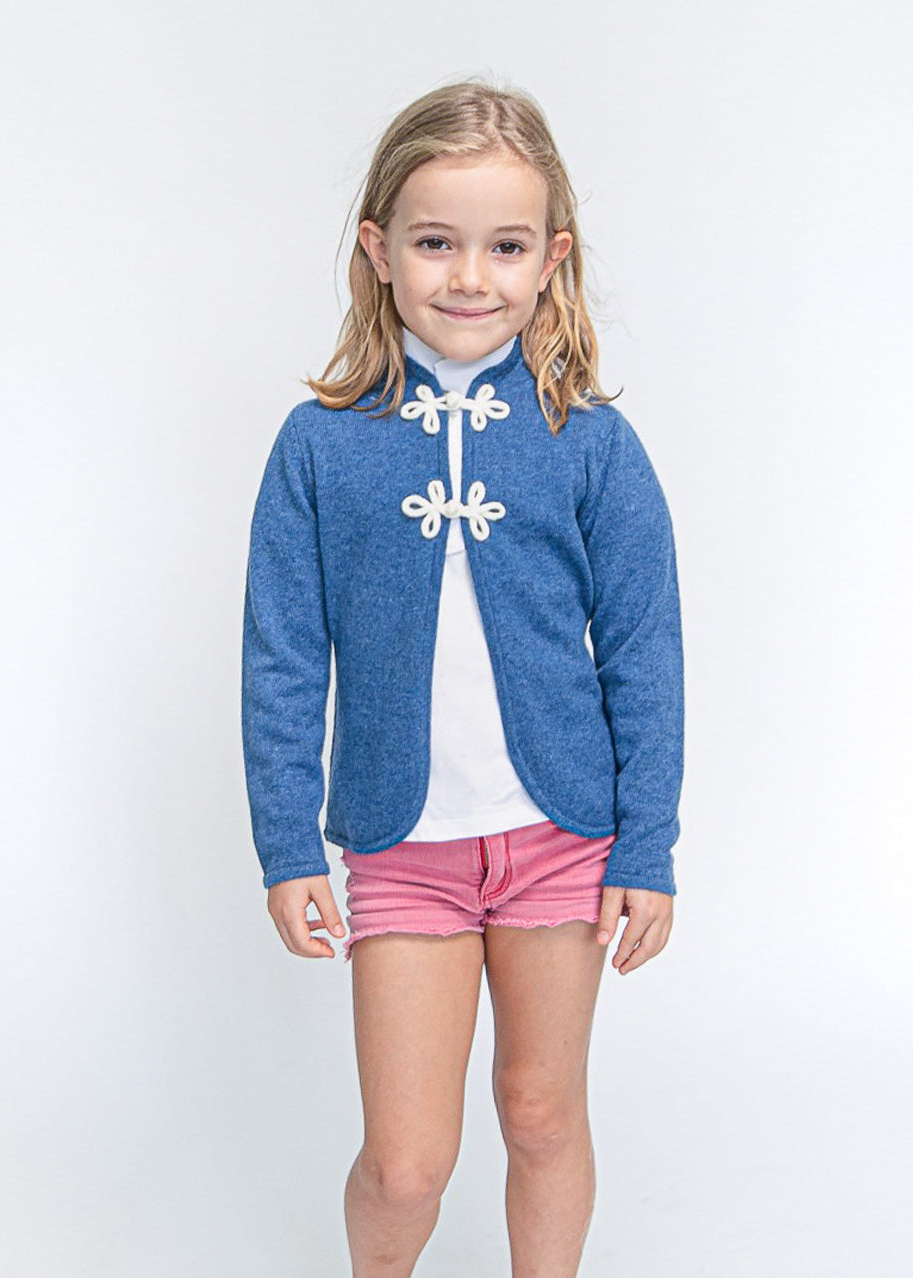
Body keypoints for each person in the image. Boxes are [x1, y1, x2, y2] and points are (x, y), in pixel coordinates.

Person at [241, 77, 684, 1278]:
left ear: (551, 258)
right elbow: (282, 654)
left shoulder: (590, 441)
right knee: (406, 1164)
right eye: (436, 243)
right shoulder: (319, 445)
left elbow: (644, 652)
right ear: (379, 249)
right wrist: (286, 843)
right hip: (403, 844)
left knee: (540, 1115)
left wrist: (646, 845)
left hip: (561, 836)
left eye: (505, 246)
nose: (469, 277)